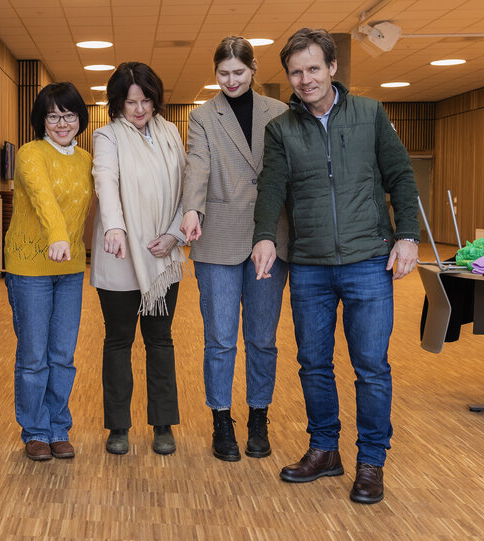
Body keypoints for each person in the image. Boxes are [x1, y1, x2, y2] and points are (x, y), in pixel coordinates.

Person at [252, 28, 419, 504]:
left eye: (312, 68)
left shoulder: (370, 114)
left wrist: (407, 234)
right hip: (310, 266)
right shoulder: (281, 129)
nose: (305, 79)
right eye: (295, 71)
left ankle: (371, 461)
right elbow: (271, 189)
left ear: (332, 68)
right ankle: (325, 449)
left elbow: (401, 176)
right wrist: (264, 236)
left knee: (370, 366)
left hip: (369, 261)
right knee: (313, 363)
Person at [181, 36, 289, 462]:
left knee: (262, 338)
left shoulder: (279, 112)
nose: (230, 81)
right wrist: (192, 209)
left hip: (270, 236)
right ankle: (221, 419)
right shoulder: (203, 116)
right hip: (219, 236)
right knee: (221, 338)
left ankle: (258, 416)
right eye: (223, 74)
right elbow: (197, 165)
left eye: (238, 73)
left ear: (254, 69)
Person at [91, 62, 187, 457]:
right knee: (118, 341)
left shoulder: (171, 133)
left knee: (160, 340)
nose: (140, 108)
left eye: (146, 99)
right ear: (117, 102)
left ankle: (162, 424)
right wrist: (115, 228)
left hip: (163, 256)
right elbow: (106, 181)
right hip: (121, 255)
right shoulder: (107, 136)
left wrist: (175, 234)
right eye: (131, 102)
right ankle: (118, 427)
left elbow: (188, 186)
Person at [4, 83, 92, 461]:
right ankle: (35, 431)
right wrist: (58, 236)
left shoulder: (86, 159)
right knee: (34, 355)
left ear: (79, 119)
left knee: (63, 355)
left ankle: (58, 427)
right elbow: (42, 198)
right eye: (53, 115)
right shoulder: (29, 153)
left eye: (69, 115)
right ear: (41, 119)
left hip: (70, 268)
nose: (61, 123)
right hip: (30, 268)